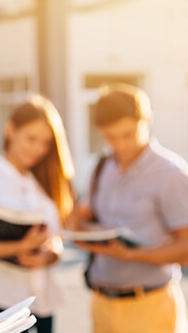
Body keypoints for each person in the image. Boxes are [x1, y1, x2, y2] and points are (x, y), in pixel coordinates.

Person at [70, 84, 188, 333]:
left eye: (128, 134)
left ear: (147, 121)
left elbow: (186, 248)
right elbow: (85, 220)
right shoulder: (101, 168)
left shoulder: (172, 174)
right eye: (111, 137)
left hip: (150, 306)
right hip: (102, 302)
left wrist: (132, 254)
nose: (121, 145)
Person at [0, 95, 75, 333]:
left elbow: (56, 238)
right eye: (31, 138)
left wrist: (49, 256)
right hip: (2, 302)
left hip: (43, 302)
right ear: (11, 130)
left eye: (45, 142)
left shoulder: (46, 180)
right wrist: (22, 246)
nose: (38, 149)